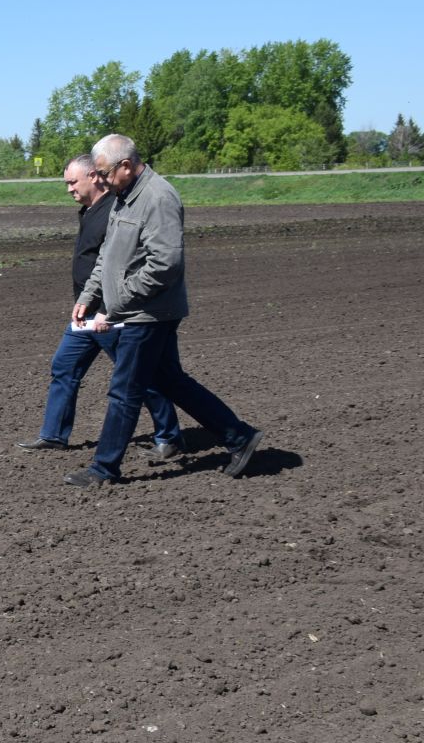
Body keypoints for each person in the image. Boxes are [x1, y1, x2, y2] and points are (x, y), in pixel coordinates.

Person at [66, 135, 264, 488]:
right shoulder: (122, 198)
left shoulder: (158, 197)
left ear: (125, 165)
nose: (99, 179)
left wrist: (118, 302)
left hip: (148, 313)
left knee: (124, 390)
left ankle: (103, 468)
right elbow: (108, 256)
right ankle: (239, 436)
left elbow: (164, 264)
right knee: (170, 381)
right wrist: (90, 294)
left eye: (103, 172)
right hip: (132, 310)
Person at [18, 154, 183, 459]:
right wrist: (82, 300)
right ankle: (54, 434)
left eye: (72, 182)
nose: (68, 189)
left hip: (112, 313)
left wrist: (109, 307)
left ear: (94, 176)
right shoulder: (89, 211)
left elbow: (121, 263)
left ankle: (169, 436)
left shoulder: (114, 209)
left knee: (137, 377)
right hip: (85, 311)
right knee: (64, 367)